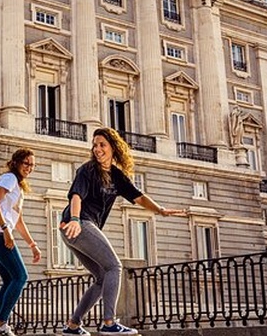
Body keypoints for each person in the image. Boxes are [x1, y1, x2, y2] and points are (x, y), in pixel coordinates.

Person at [59, 128, 187, 335]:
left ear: (113, 147)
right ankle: (109, 323)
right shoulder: (88, 169)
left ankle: (73, 325)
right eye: (95, 145)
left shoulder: (117, 176)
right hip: (77, 223)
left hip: (75, 228)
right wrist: (74, 219)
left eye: (102, 144)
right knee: (115, 267)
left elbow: (139, 197)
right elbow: (76, 196)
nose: (97, 149)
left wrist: (160, 210)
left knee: (102, 277)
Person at [0, 148, 42, 336]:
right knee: (21, 277)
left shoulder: (18, 185)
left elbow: (18, 220)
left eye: (32, 165)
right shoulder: (10, 179)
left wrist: (33, 245)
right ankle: (0, 324)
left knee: (9, 279)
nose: (29, 168)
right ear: (16, 162)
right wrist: (5, 230)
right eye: (26, 163)